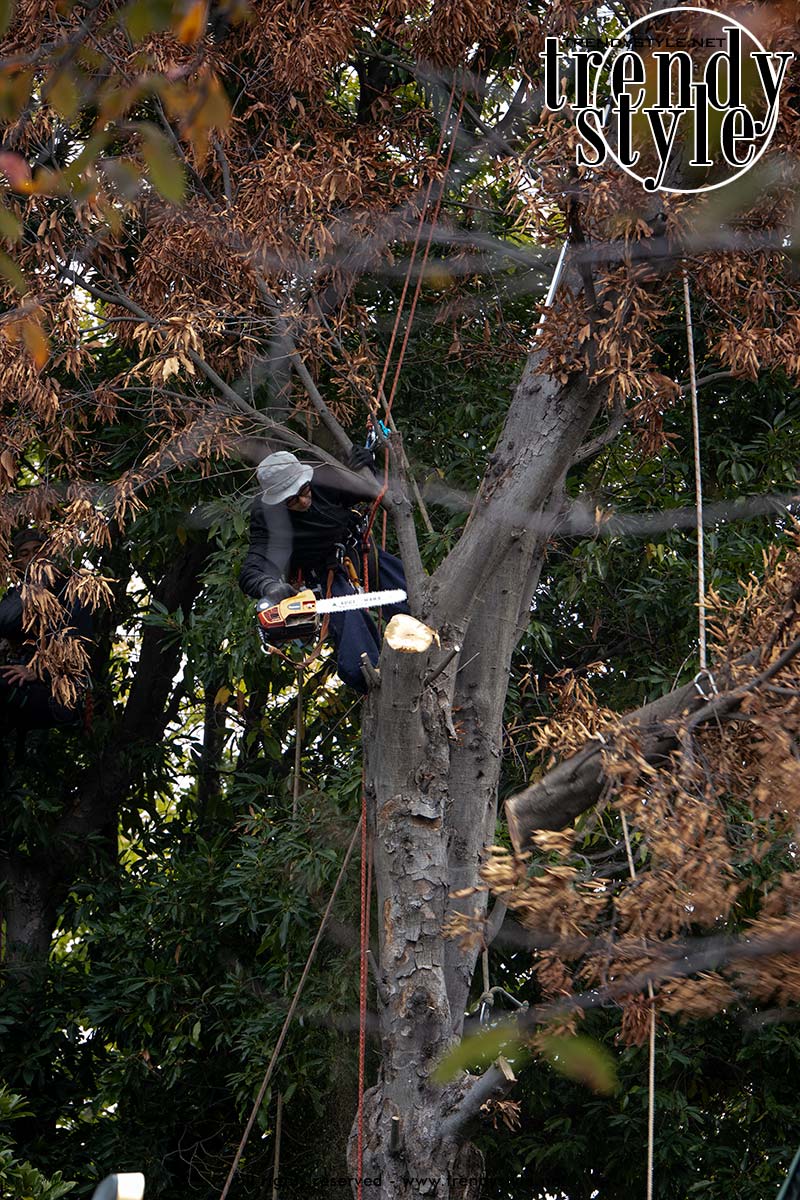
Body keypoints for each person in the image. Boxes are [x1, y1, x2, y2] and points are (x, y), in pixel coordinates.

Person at [239, 449, 407, 690]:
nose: (304, 501)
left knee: (420, 600)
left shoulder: (322, 481)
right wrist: (271, 587)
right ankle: (377, 685)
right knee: (358, 652)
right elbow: (251, 571)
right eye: (293, 500)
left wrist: (365, 465)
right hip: (323, 574)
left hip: (358, 552)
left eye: (305, 492)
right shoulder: (267, 517)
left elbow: (367, 490)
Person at [0, 529, 93, 736]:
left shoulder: (72, 590)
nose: (32, 558)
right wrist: (30, 589)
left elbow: (79, 644)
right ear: (17, 564)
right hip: (22, 685)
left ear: (49, 554)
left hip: (58, 693)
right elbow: (3, 623)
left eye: (38, 550)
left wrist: (38, 670)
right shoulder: (16, 596)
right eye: (24, 554)